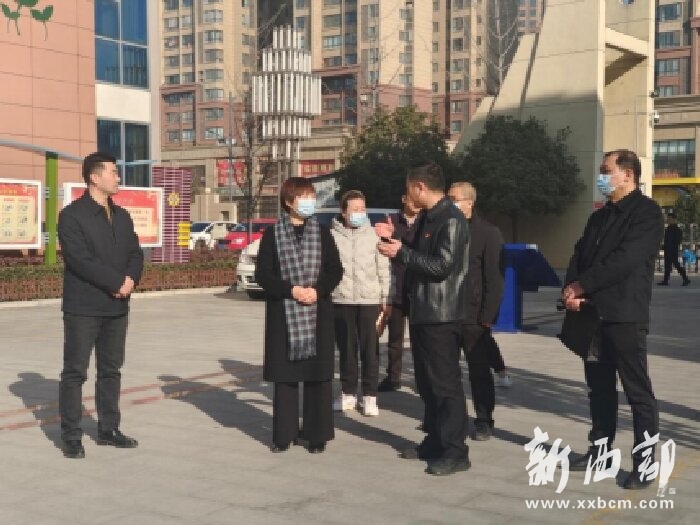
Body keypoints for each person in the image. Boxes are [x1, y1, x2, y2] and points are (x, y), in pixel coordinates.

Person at [562, 149, 664, 490]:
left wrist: (583, 285)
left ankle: (645, 463)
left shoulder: (647, 213)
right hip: (593, 315)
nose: (601, 177)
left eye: (606, 171)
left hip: (624, 315)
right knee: (599, 388)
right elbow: (579, 254)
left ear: (628, 175)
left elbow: (625, 259)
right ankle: (601, 452)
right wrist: (571, 289)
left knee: (637, 392)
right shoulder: (600, 216)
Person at [376, 162, 470, 476]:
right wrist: (395, 240)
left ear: (420, 187)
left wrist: (401, 253)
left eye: (409, 188)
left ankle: (456, 451)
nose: (407, 196)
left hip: (441, 314)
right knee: (427, 383)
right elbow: (419, 252)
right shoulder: (430, 217)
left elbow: (441, 266)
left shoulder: (451, 219)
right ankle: (435, 440)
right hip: (423, 310)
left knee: (445, 384)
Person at [57, 152, 144, 459]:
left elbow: (135, 253)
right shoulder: (72, 216)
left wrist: (131, 279)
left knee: (111, 371)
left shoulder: (122, 216)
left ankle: (109, 429)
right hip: (84, 307)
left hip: (117, 308)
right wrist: (116, 282)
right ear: (94, 177)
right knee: (75, 372)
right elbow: (80, 260)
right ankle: (71, 435)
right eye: (113, 172)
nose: (118, 177)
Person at [255, 177, 343, 453]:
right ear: (288, 201)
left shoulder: (322, 232)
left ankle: (316, 436)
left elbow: (335, 269)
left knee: (318, 377)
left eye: (311, 197)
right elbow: (263, 274)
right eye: (304, 197)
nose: (309, 202)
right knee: (286, 378)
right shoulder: (272, 234)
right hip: (284, 313)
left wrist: (318, 290)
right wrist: (291, 290)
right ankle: (284, 435)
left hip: (318, 312)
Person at [448, 181, 505, 441]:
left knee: (479, 371)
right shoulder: (445, 229)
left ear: (469, 203)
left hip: (474, 316)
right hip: (446, 312)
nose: (450, 203)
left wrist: (487, 316)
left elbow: (494, 278)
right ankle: (450, 418)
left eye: (454, 199)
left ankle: (484, 419)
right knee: (447, 372)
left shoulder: (487, 233)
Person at [331, 190, 391, 416]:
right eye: (355, 209)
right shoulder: (332, 236)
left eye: (362, 209)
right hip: (342, 299)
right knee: (347, 349)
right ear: (343, 212)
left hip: (369, 300)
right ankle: (347, 393)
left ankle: (370, 396)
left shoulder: (374, 235)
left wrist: (386, 298)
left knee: (370, 350)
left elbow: (384, 269)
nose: (359, 213)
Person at [378, 194, 420, 393]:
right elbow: (381, 249)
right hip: (395, 287)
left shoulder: (425, 222)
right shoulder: (392, 220)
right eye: (410, 199)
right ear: (403, 199)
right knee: (395, 338)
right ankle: (393, 377)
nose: (414, 203)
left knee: (419, 339)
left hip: (418, 290)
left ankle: (421, 379)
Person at [657, 213, 690, 286]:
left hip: (673, 250)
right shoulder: (667, 229)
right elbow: (666, 241)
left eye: (670, 218)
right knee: (667, 266)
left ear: (674, 219)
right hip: (667, 250)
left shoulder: (677, 230)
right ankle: (665, 281)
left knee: (677, 265)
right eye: (668, 218)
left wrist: (671, 247)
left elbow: (678, 241)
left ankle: (686, 279)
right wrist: (663, 247)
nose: (668, 220)